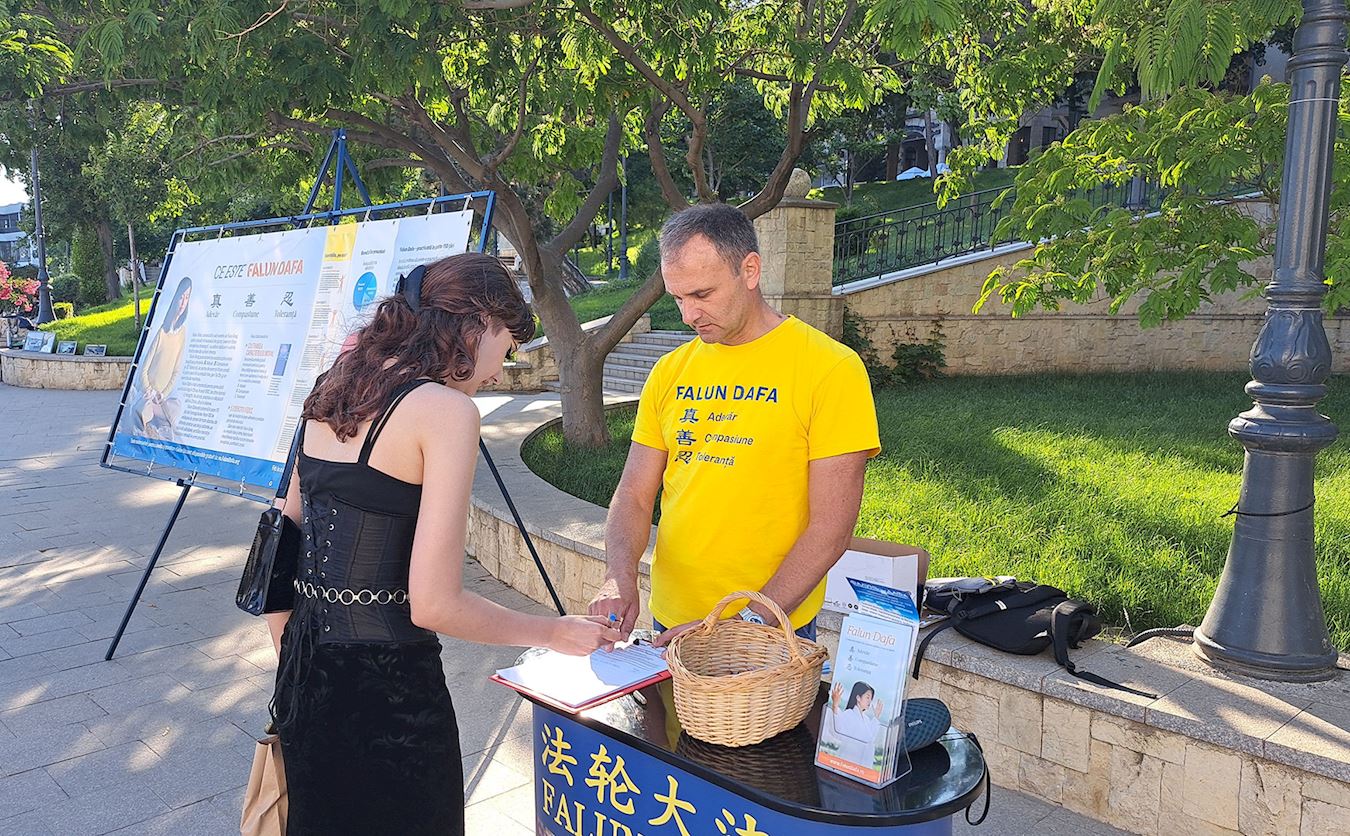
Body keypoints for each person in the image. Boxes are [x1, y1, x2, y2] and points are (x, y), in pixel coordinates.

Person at [266, 252, 622, 836]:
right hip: (391, 692)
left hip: (307, 673)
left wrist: (294, 661)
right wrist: (553, 632)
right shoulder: (446, 411)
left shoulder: (336, 384)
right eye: (507, 346)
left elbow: (282, 546)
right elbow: (433, 604)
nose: (499, 372)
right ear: (477, 322)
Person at [588, 203, 881, 645]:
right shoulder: (669, 371)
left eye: (702, 294)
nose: (688, 315)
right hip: (670, 619)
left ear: (750, 270)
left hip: (769, 627)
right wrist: (618, 576)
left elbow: (831, 530)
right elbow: (633, 493)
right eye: (677, 298)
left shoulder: (831, 369)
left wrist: (746, 624)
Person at [133, 276, 192, 440]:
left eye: (187, 298)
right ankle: (150, 424)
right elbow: (144, 370)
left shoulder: (182, 332)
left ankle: (157, 421)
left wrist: (162, 394)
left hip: (162, 397)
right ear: (175, 298)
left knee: (176, 408)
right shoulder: (161, 333)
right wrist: (149, 391)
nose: (183, 302)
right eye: (181, 297)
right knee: (142, 411)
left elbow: (176, 371)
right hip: (148, 393)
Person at [823, 681, 884, 764]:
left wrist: (876, 717)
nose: (870, 701)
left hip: (863, 765)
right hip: (847, 762)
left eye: (871, 698)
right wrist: (835, 705)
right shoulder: (849, 714)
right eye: (867, 697)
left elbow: (870, 738)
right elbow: (838, 731)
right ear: (858, 698)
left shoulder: (866, 719)